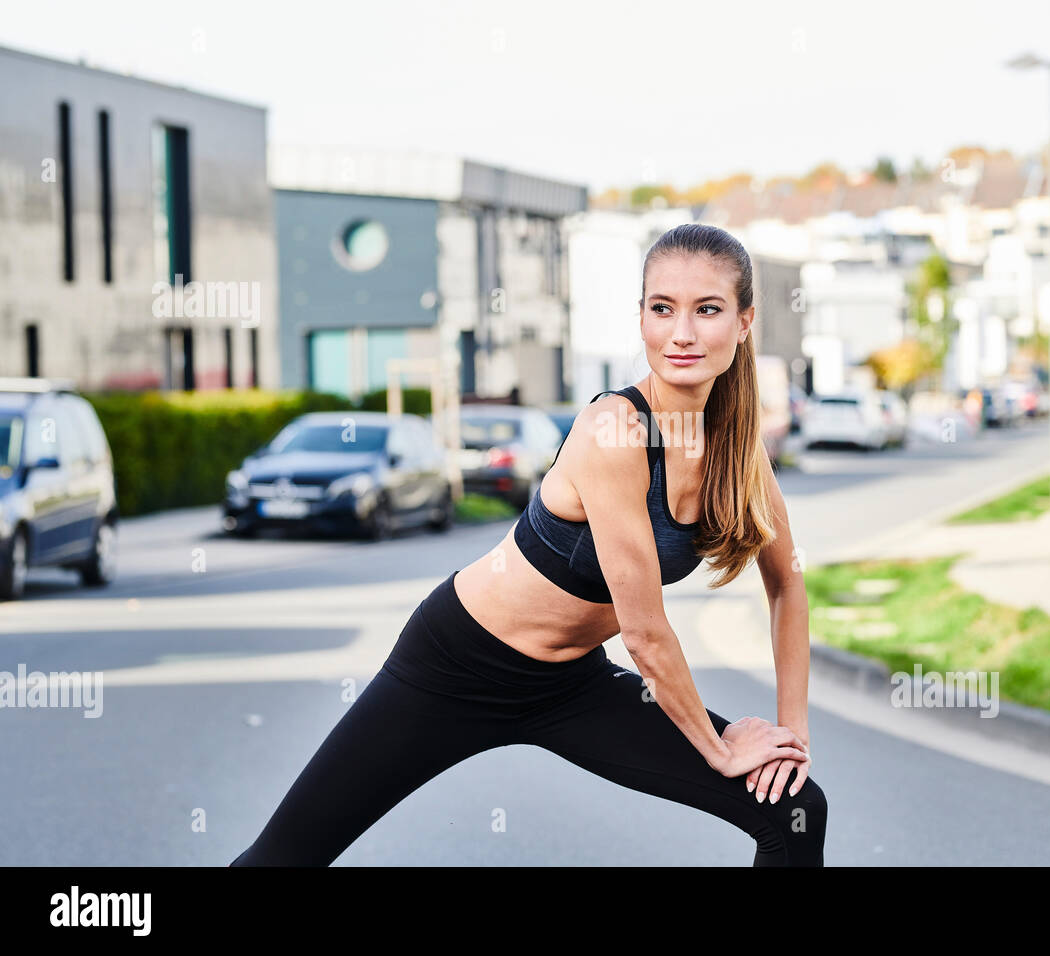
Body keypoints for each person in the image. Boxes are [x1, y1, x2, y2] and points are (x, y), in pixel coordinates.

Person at [229, 223, 828, 867]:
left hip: (571, 684)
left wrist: (790, 735)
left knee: (794, 812)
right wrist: (721, 749)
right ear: (643, 318)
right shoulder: (613, 428)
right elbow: (646, 635)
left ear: (744, 322)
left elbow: (787, 582)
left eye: (707, 309)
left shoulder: (736, 452)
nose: (681, 333)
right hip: (456, 663)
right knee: (283, 859)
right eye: (663, 308)